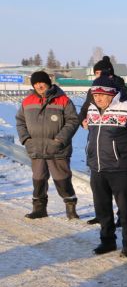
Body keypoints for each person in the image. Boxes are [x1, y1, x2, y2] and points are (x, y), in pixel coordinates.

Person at [85, 72, 127, 256]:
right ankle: (107, 241)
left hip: (120, 168)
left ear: (112, 94)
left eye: (102, 95)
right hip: (97, 166)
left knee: (125, 208)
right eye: (95, 95)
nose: (98, 98)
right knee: (102, 208)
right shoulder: (92, 109)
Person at [16, 71, 80, 219]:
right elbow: (20, 121)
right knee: (38, 179)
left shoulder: (63, 100)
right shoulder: (27, 101)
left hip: (58, 149)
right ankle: (39, 208)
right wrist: (26, 140)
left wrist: (59, 140)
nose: (39, 85)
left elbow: (73, 121)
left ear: (48, 82)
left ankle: (70, 208)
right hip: (36, 148)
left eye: (41, 82)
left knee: (62, 179)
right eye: (36, 83)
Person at [79, 56, 127, 125]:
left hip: (115, 131)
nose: (99, 76)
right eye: (97, 73)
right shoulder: (92, 91)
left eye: (101, 73)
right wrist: (83, 121)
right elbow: (84, 109)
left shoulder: (122, 90)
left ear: (110, 75)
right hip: (96, 132)